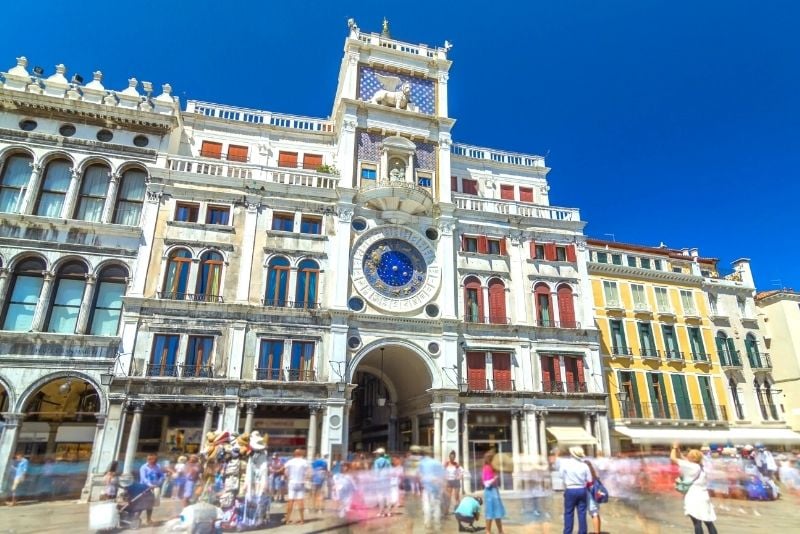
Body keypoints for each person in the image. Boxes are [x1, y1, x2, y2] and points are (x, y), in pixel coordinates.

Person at [671, 442, 717, 534]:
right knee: (708, 522)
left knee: (697, 523)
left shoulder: (690, 466)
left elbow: (673, 459)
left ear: (692, 458)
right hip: (704, 497)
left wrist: (674, 447)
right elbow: (682, 459)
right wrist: (678, 450)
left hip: (694, 497)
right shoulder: (700, 466)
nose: (687, 456)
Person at [558, 446, 592, 534]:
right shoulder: (584, 465)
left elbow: (561, 475)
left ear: (572, 454)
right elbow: (589, 480)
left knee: (568, 513)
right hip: (582, 489)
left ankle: (568, 532)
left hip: (570, 489)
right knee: (582, 513)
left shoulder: (565, 464)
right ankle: (582, 532)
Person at [418, 446, 445, 530]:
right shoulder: (437, 462)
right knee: (436, 507)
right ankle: (437, 524)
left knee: (427, 506)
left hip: (426, 488)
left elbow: (419, 476)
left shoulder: (421, 463)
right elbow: (442, 476)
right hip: (436, 488)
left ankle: (428, 523)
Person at [282, 448, 309, 525]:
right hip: (300, 482)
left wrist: (287, 476)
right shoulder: (304, 461)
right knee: (300, 501)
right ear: (301, 454)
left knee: (290, 501)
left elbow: (284, 469)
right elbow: (309, 472)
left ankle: (287, 520)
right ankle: (302, 520)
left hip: (292, 483)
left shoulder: (290, 461)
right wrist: (305, 478)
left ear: (294, 454)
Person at [482, 450, 506, 534]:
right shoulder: (486, 468)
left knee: (497, 512)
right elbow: (486, 484)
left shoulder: (492, 468)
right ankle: (488, 531)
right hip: (489, 493)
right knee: (490, 512)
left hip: (495, 492)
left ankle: (500, 531)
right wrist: (494, 479)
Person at [139, 453, 166, 526]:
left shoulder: (158, 466)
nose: (153, 461)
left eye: (155, 460)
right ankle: (136, 518)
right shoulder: (143, 467)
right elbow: (143, 478)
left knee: (150, 504)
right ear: (148, 459)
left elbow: (162, 475)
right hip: (144, 487)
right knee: (141, 503)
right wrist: (150, 485)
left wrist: (159, 482)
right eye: (150, 459)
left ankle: (148, 519)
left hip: (155, 487)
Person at [583, 458, 602, 534]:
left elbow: (587, 484)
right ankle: (597, 531)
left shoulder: (588, 476)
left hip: (590, 495)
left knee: (594, 513)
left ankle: (596, 532)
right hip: (595, 495)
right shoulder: (594, 475)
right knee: (595, 513)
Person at [373, 447, 391, 517]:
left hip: (380, 481)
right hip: (387, 480)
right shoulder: (388, 461)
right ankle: (389, 512)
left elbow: (376, 472)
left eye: (376, 453)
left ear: (378, 454)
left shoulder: (377, 461)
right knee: (388, 496)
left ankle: (381, 512)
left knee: (380, 496)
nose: (376, 454)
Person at [444, 450, 463, 514]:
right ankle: (446, 510)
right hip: (449, 481)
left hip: (456, 481)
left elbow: (461, 472)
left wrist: (460, 476)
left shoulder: (456, 464)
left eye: (453, 457)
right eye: (451, 457)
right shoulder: (446, 464)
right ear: (449, 457)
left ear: (454, 457)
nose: (452, 458)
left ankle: (459, 510)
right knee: (448, 497)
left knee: (456, 496)